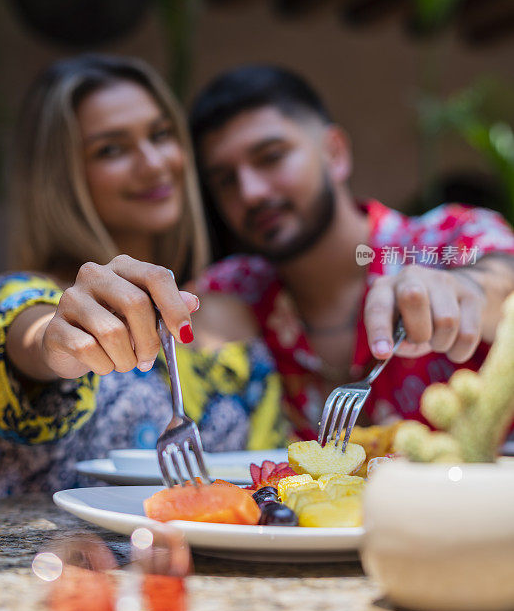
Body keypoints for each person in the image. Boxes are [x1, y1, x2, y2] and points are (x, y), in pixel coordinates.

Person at [0, 55, 285, 497]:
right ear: (61, 178)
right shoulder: (30, 297)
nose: (154, 163)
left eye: (161, 135)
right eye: (112, 149)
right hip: (54, 563)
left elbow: (270, 479)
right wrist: (56, 343)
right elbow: (26, 334)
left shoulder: (235, 316)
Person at [188, 65, 514, 439]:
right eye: (225, 180)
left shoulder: (451, 238)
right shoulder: (230, 292)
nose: (250, 192)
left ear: (334, 153)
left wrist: (467, 289)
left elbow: (503, 280)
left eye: (271, 157)